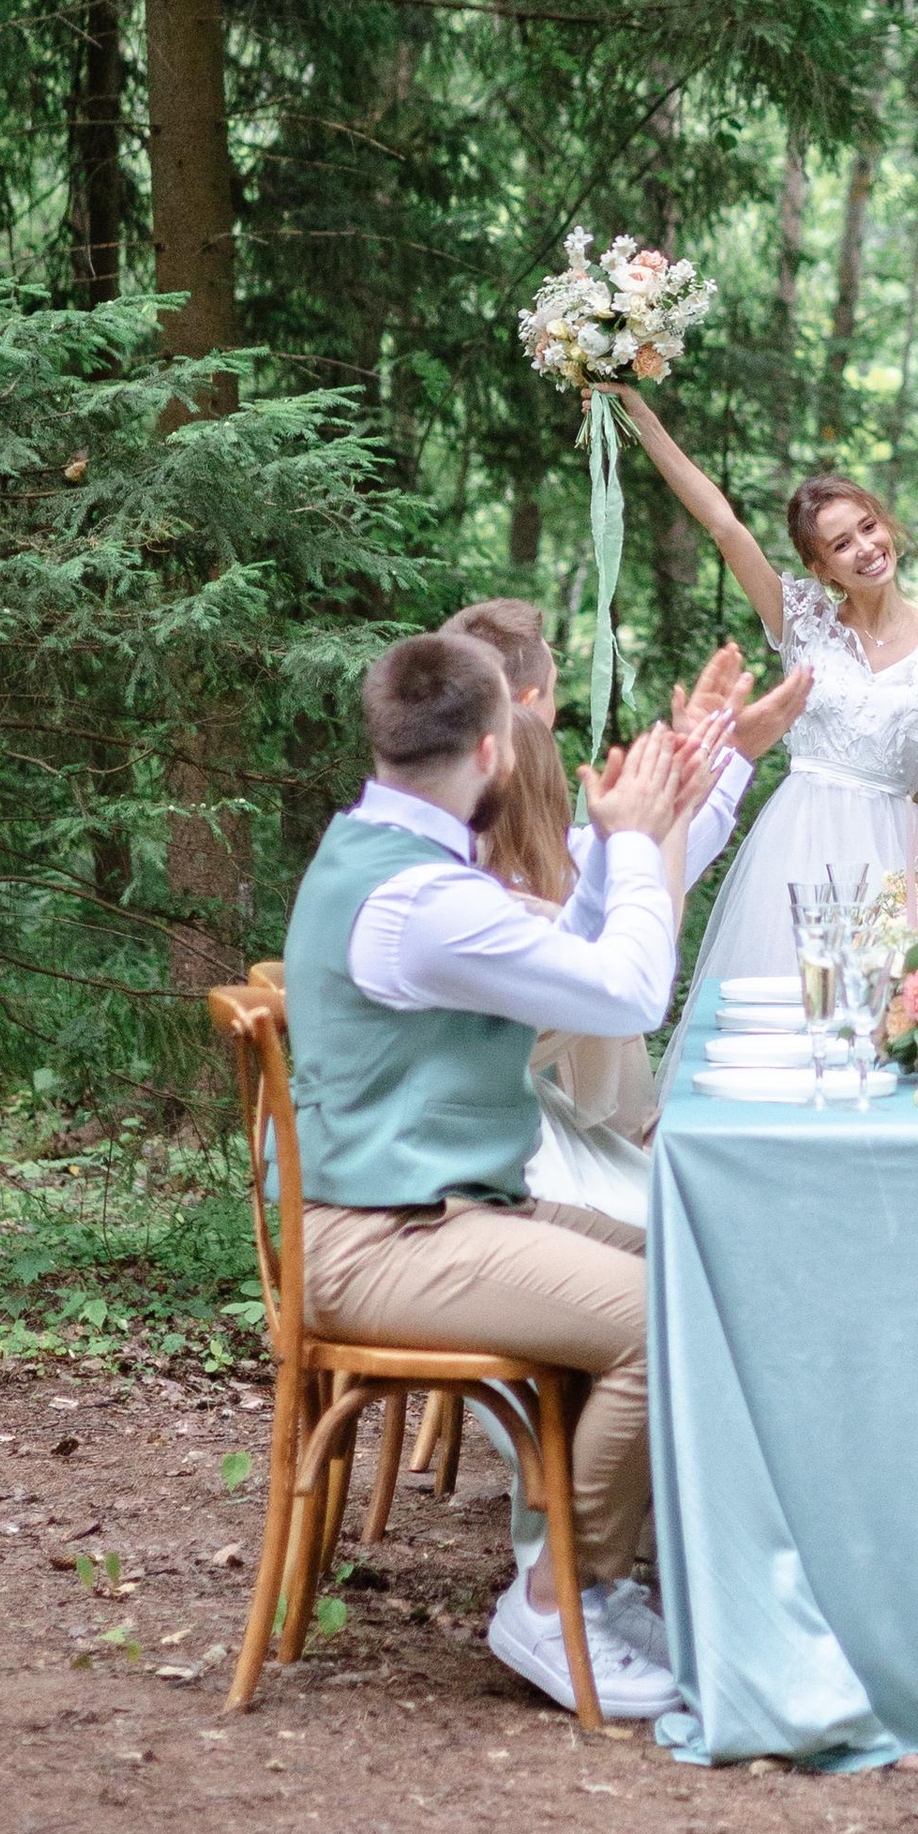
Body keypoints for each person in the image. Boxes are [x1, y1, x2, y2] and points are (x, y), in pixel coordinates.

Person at [281, 630, 726, 1722]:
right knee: (657, 1317)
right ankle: (551, 1597)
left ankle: (606, 1577)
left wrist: (644, 835)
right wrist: (626, 844)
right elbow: (627, 997)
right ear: (496, 751)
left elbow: (555, 971)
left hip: (433, 1212)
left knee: (699, 1262)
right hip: (384, 1239)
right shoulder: (420, 901)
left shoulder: (392, 860)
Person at [611, 393, 918, 1046]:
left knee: (893, 1024)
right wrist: (636, 407)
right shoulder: (799, 619)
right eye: (841, 543)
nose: (865, 548)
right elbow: (722, 524)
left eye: (868, 527)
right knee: (785, 1028)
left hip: (897, 852)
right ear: (819, 567)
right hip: (800, 846)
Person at [444, 599, 810, 1194]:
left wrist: (710, 765)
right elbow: (637, 940)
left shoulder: (436, 844)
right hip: (517, 1155)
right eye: (556, 692)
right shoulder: (494, 890)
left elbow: (642, 863)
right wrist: (713, 766)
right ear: (531, 708)